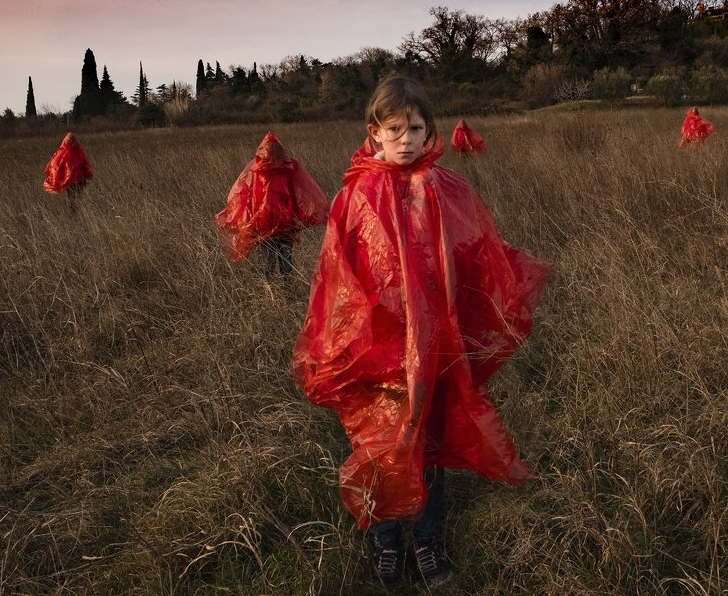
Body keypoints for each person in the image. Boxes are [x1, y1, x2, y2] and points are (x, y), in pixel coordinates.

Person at [292, 76, 549, 587]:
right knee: (383, 441)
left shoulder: (446, 189)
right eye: (395, 128)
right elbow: (337, 278)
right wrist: (350, 340)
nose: (406, 139)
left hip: (435, 346)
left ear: (429, 131)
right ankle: (386, 543)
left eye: (416, 128)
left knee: (428, 442)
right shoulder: (354, 197)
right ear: (374, 132)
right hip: (378, 351)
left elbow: (473, 253)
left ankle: (430, 543)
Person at [215, 132, 329, 277]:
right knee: (284, 261)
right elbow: (303, 192)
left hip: (266, 224)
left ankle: (272, 292)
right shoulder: (286, 168)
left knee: (269, 263)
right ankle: (284, 292)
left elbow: (245, 197)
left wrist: (247, 220)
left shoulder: (258, 170)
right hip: (284, 224)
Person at [43, 132, 93, 214]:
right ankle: (75, 213)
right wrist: (88, 176)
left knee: (72, 198)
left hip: (72, 182)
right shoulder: (76, 153)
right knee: (76, 198)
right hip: (76, 181)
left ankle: (74, 213)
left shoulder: (65, 154)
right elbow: (86, 166)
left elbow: (57, 167)